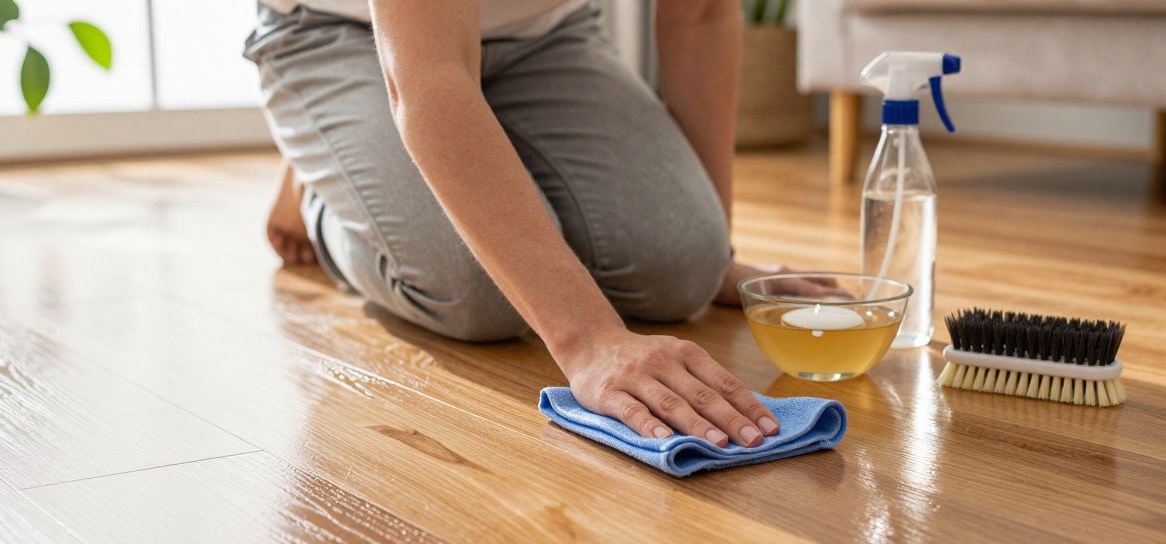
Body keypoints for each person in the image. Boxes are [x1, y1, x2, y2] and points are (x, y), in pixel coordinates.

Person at [245, 0, 795, 450]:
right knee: (482, 290)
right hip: (346, 33)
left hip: (545, 34)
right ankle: (321, 189)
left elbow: (700, 15)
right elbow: (430, 72)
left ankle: (482, 158)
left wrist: (713, 254)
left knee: (683, 267)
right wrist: (590, 341)